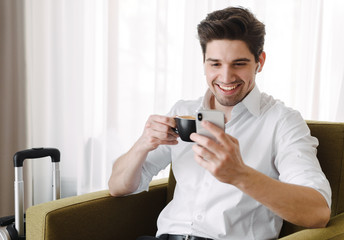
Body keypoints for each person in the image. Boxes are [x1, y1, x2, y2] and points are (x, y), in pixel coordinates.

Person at [108, 6, 331, 240]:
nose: (226, 77)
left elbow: (318, 212)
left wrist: (240, 175)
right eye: (215, 64)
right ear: (204, 62)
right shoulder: (184, 112)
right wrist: (143, 144)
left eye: (239, 64)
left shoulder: (282, 122)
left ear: (260, 62)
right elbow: (117, 186)